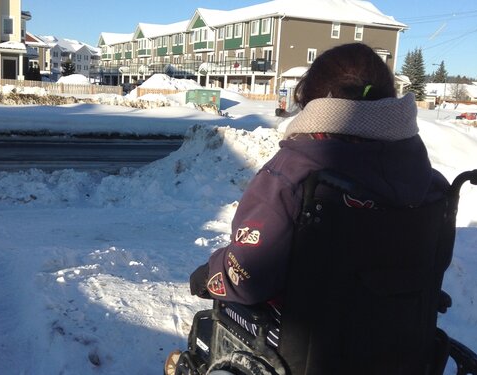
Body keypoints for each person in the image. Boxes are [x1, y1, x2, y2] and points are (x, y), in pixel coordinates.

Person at [188, 42, 449, 340]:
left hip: (313, 344)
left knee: (210, 325)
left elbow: (248, 276)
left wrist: (212, 273)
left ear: (314, 101)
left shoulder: (297, 173)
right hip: (400, 339)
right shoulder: (431, 183)